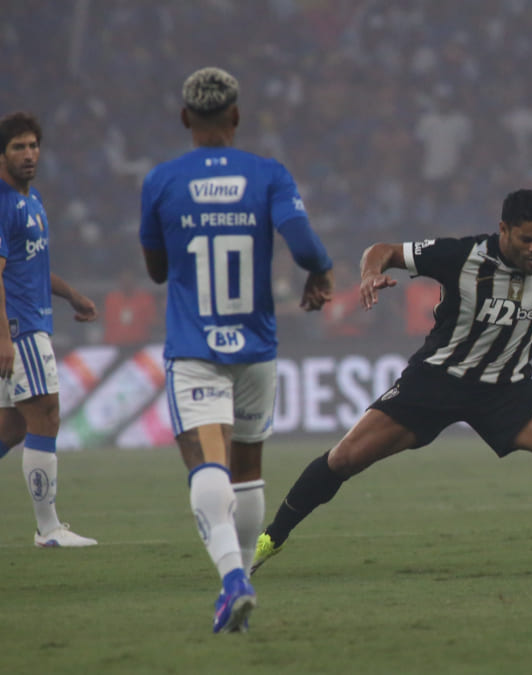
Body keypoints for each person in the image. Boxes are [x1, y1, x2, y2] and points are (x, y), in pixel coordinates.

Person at [251, 189, 532, 578]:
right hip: (434, 382)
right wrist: (371, 272)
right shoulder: (461, 256)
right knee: (346, 457)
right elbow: (385, 249)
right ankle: (270, 539)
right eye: (527, 239)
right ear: (504, 230)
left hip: (506, 389)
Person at [139, 67, 334, 632]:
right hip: (257, 346)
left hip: (197, 345)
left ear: (184, 119)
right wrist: (319, 274)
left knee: (207, 461)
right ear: (236, 116)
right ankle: (244, 583)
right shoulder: (267, 175)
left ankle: (232, 580)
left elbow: (156, 270)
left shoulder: (161, 180)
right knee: (248, 469)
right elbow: (304, 246)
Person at [0, 112, 100, 548]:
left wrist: (72, 295)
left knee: (11, 428)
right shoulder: (3, 203)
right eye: (18, 147)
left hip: (26, 321)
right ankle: (49, 530)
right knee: (47, 415)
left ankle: (49, 528)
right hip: (20, 329)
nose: (29, 154)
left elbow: (31, 266)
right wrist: (4, 337)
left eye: (33, 145)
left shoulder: (31, 199)